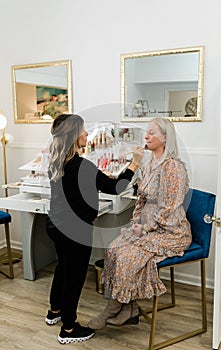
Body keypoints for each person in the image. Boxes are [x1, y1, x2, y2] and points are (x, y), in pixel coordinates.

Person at [45, 113, 144, 344]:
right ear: (72, 136)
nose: (86, 134)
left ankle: (54, 312)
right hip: (75, 231)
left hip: (55, 225)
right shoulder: (82, 166)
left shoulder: (56, 160)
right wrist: (135, 163)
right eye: (82, 131)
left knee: (63, 268)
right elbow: (115, 187)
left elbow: (77, 188)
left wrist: (95, 179)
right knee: (74, 277)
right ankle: (68, 329)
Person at [88, 117, 192, 330]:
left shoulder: (172, 167)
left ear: (165, 138)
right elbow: (141, 200)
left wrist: (146, 228)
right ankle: (130, 309)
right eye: (147, 131)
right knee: (114, 249)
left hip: (170, 231)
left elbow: (170, 208)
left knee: (127, 257)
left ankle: (112, 308)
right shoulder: (148, 164)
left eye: (153, 133)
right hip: (145, 227)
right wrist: (137, 222)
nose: (146, 136)